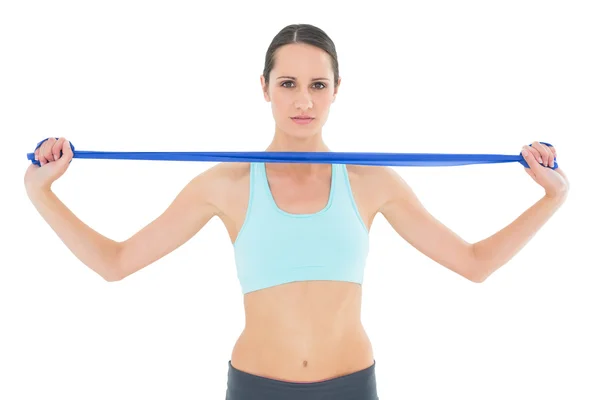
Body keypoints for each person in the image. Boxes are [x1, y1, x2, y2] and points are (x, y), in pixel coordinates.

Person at [24, 24, 569, 400]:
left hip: (352, 385)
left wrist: (552, 197)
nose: (303, 101)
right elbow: (115, 262)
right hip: (257, 386)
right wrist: (41, 193)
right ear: (264, 88)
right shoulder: (226, 183)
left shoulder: (372, 182)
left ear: (337, 90)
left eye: (317, 85)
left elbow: (474, 263)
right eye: (287, 84)